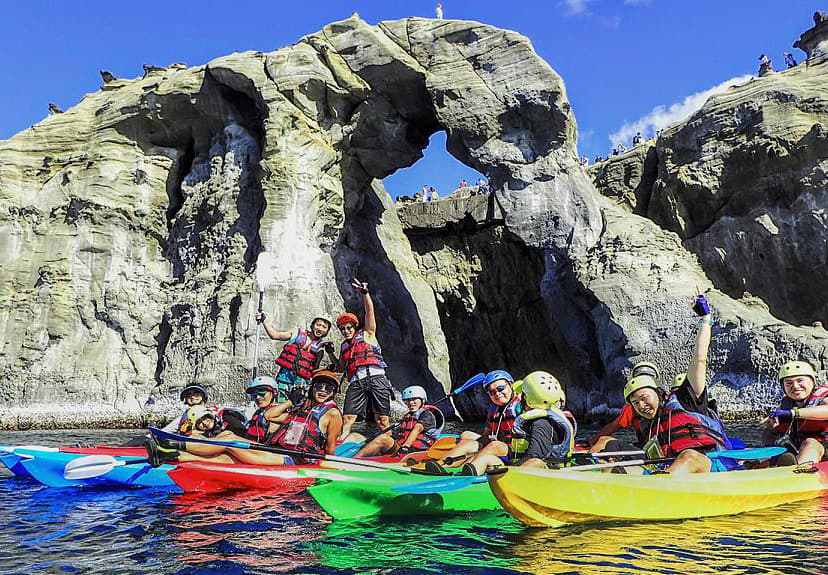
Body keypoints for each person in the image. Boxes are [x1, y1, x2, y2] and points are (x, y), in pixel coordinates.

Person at [602, 293, 732, 474]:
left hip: (707, 465)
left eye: (644, 398)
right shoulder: (646, 425)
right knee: (614, 465)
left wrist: (705, 320)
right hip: (665, 471)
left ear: (658, 392)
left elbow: (700, 360)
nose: (641, 405)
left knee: (688, 456)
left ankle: (658, 491)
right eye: (635, 403)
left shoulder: (687, 400)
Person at [147, 371, 343, 466]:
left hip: (295, 460)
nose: (322, 391)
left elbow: (331, 448)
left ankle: (173, 445)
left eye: (328, 388)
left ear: (334, 392)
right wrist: (290, 401)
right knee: (226, 447)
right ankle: (169, 455)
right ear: (312, 388)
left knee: (231, 445)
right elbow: (270, 415)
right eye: (318, 386)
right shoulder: (303, 408)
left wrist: (327, 470)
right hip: (276, 451)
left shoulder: (332, 414)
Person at [458, 371, 576, 475]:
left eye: (523, 395)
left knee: (535, 462)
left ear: (529, 398)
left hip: (545, 473)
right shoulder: (535, 419)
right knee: (485, 458)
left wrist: (510, 468)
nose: (521, 398)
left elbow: (535, 457)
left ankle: (495, 485)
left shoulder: (542, 423)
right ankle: (463, 478)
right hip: (519, 464)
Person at [423, 370, 522, 473]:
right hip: (498, 444)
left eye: (501, 388)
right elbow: (485, 436)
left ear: (511, 385)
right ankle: (441, 464)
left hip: (514, 452)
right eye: (492, 392)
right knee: (466, 436)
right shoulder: (494, 409)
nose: (497, 393)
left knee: (495, 445)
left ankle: (469, 465)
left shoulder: (521, 406)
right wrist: (470, 446)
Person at [335, 278, 395, 439]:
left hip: (377, 378)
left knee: (382, 419)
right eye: (342, 329)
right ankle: (341, 442)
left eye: (349, 327)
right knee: (347, 418)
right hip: (357, 381)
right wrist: (329, 353)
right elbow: (341, 368)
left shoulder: (367, 334)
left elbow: (370, 312)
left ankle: (389, 444)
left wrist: (365, 294)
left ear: (354, 327)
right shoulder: (343, 346)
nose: (346, 331)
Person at [760, 360, 828, 466]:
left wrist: (793, 413)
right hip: (795, 451)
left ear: (814, 381)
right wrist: (771, 431)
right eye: (788, 383)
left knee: (810, 443)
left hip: (821, 450)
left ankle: (801, 472)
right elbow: (771, 434)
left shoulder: (823, 398)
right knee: (770, 443)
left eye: (800, 380)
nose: (795, 386)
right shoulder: (785, 405)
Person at [255, 314, 335, 401]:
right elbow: (274, 335)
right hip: (283, 381)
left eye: (324, 327)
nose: (320, 328)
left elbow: (312, 371)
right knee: (280, 405)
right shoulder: (296, 333)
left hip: (301, 386)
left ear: (327, 331)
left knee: (295, 410)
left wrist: (325, 368)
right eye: (318, 325)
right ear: (312, 325)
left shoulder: (320, 349)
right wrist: (264, 320)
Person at [352, 385, 444, 457]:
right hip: (400, 447)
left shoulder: (427, 414)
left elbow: (417, 429)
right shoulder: (409, 416)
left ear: (423, 400)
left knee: (383, 439)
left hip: (413, 451)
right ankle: (351, 457)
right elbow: (400, 433)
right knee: (355, 436)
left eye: (414, 399)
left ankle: (352, 462)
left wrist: (406, 446)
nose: (410, 403)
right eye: (408, 400)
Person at [589, 361, 660, 450]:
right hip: (648, 449)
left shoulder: (669, 406)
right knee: (604, 440)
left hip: (656, 456)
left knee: (605, 441)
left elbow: (613, 426)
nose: (641, 405)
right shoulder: (631, 408)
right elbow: (613, 426)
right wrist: (591, 442)